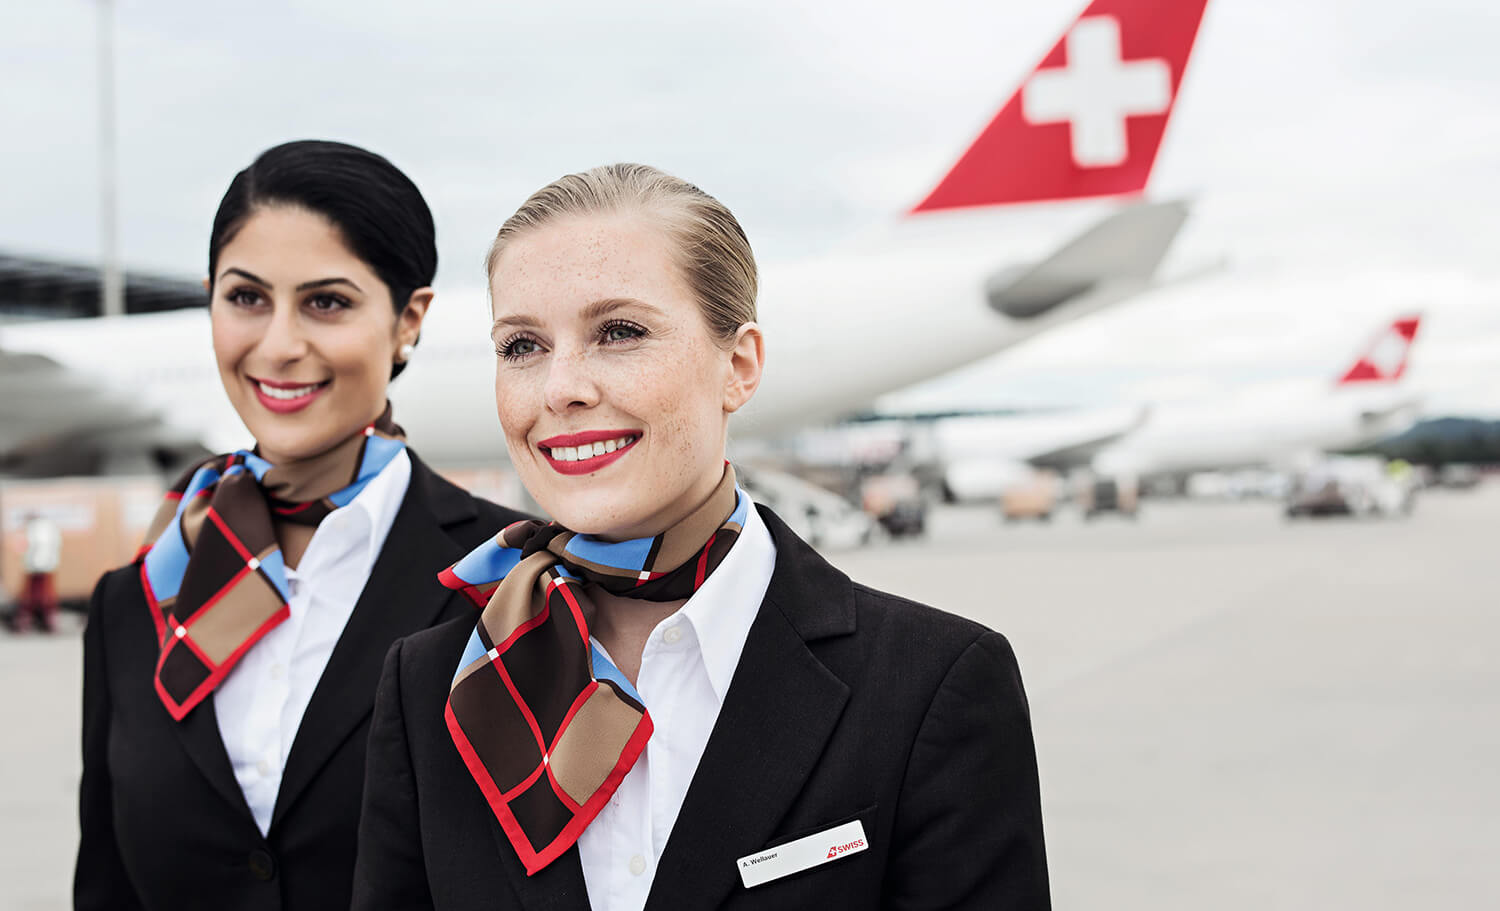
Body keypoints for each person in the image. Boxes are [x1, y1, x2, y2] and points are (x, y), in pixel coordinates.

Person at [353, 164, 1049, 910]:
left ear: (739, 366)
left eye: (619, 332)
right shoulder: (433, 683)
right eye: (522, 346)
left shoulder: (931, 685)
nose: (560, 388)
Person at [74, 140, 532, 911]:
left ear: (407, 319)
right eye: (246, 297)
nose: (280, 345)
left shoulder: (511, 580)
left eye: (327, 301)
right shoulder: (135, 600)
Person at [11, 511, 62, 633]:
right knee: (46, 596)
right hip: (47, 565)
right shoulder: (50, 528)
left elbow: (28, 545)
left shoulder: (34, 528)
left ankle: (26, 622)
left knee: (31, 597)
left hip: (35, 566)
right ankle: (48, 622)